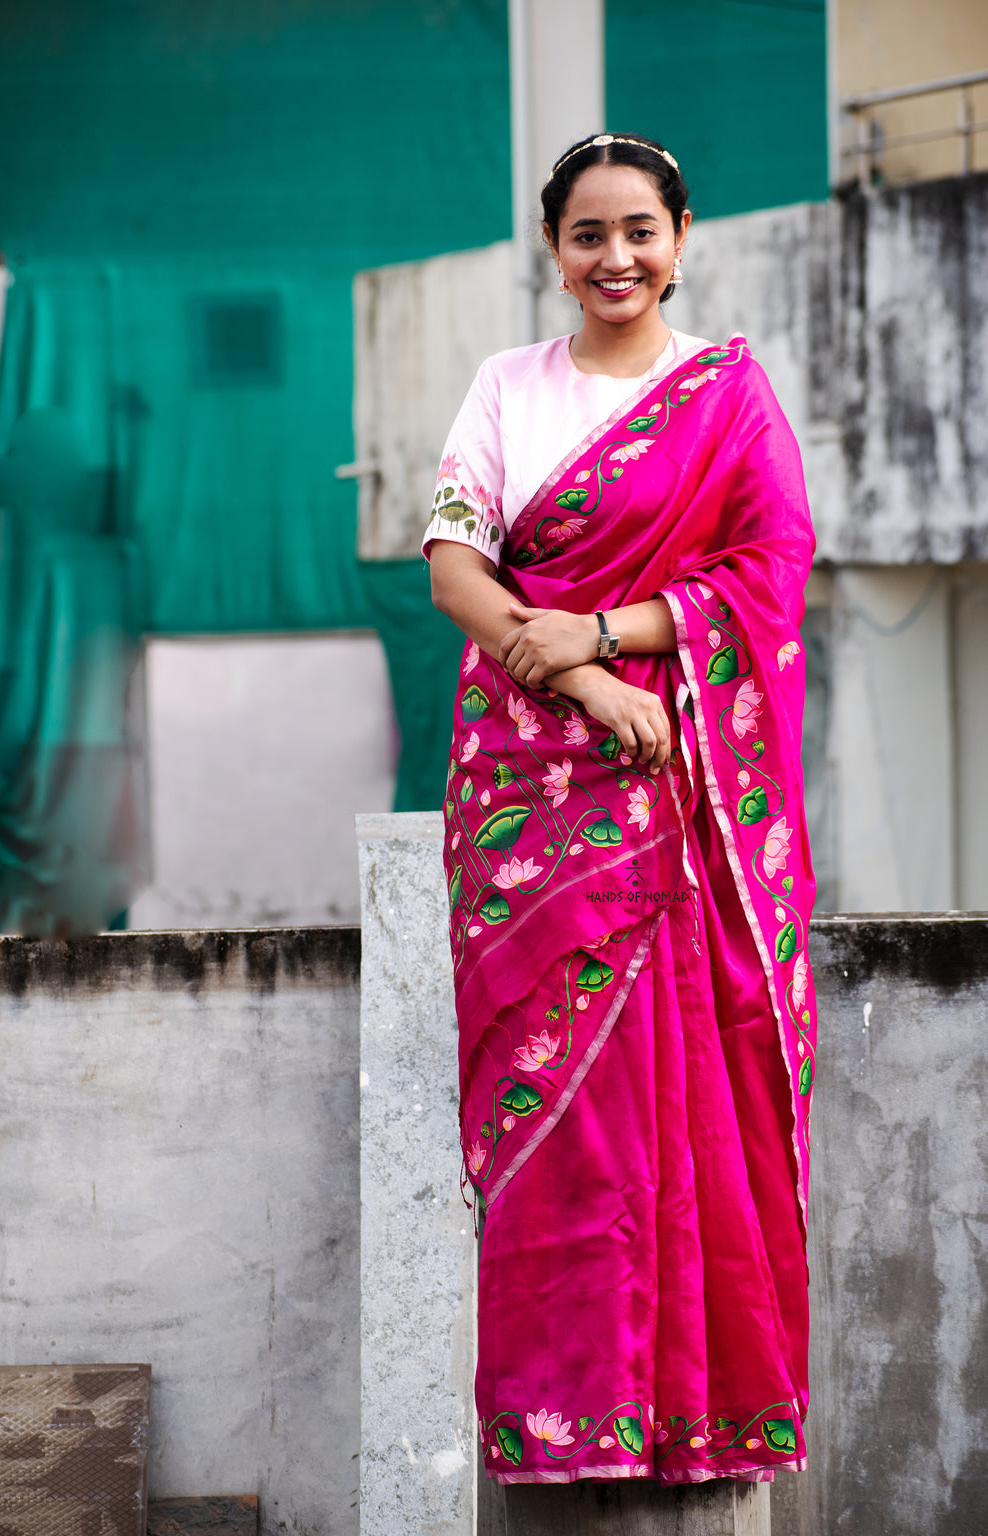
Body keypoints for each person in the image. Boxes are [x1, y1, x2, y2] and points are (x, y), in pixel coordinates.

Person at [424, 132, 816, 1488]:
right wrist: (589, 676)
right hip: (535, 785)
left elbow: (767, 577)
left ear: (684, 235)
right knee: (555, 1117)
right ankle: (559, 1417)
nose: (617, 258)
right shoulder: (506, 388)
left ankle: (697, 1417)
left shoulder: (728, 396)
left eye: (640, 230)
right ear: (554, 250)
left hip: (683, 787)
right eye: (589, 235)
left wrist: (600, 620)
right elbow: (454, 566)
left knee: (687, 1085)